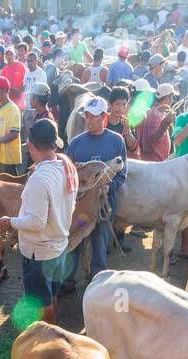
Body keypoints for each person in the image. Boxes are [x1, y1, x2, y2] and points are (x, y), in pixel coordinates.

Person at [0, 118, 77, 326]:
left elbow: (37, 222)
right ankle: (52, 327)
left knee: (41, 300)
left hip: (39, 252)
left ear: (30, 145)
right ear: (54, 142)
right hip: (59, 245)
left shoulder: (40, 179)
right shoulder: (67, 166)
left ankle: (47, 335)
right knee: (51, 293)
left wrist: (9, 221)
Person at [63, 96, 126, 288]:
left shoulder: (116, 141)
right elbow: (65, 171)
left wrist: (109, 187)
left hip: (104, 203)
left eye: (93, 116)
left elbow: (121, 174)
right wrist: (75, 169)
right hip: (80, 205)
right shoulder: (76, 143)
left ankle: (98, 283)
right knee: (75, 240)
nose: (89, 120)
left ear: (104, 117)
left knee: (101, 242)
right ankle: (68, 280)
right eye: (87, 116)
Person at [136, 84, 177, 162]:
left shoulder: (159, 113)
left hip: (159, 163)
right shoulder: (154, 116)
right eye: (173, 97)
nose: (173, 101)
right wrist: (166, 123)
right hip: (154, 164)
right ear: (168, 98)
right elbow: (154, 139)